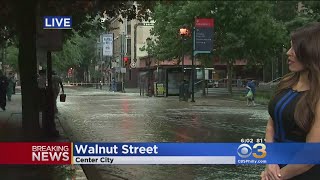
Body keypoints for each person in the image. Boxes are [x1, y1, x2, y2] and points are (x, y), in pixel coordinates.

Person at [261, 23, 320, 180]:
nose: (288, 53)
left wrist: (276, 176)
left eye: (294, 49)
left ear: (311, 52)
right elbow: (271, 125)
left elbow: (311, 154)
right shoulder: (286, 82)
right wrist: (270, 162)